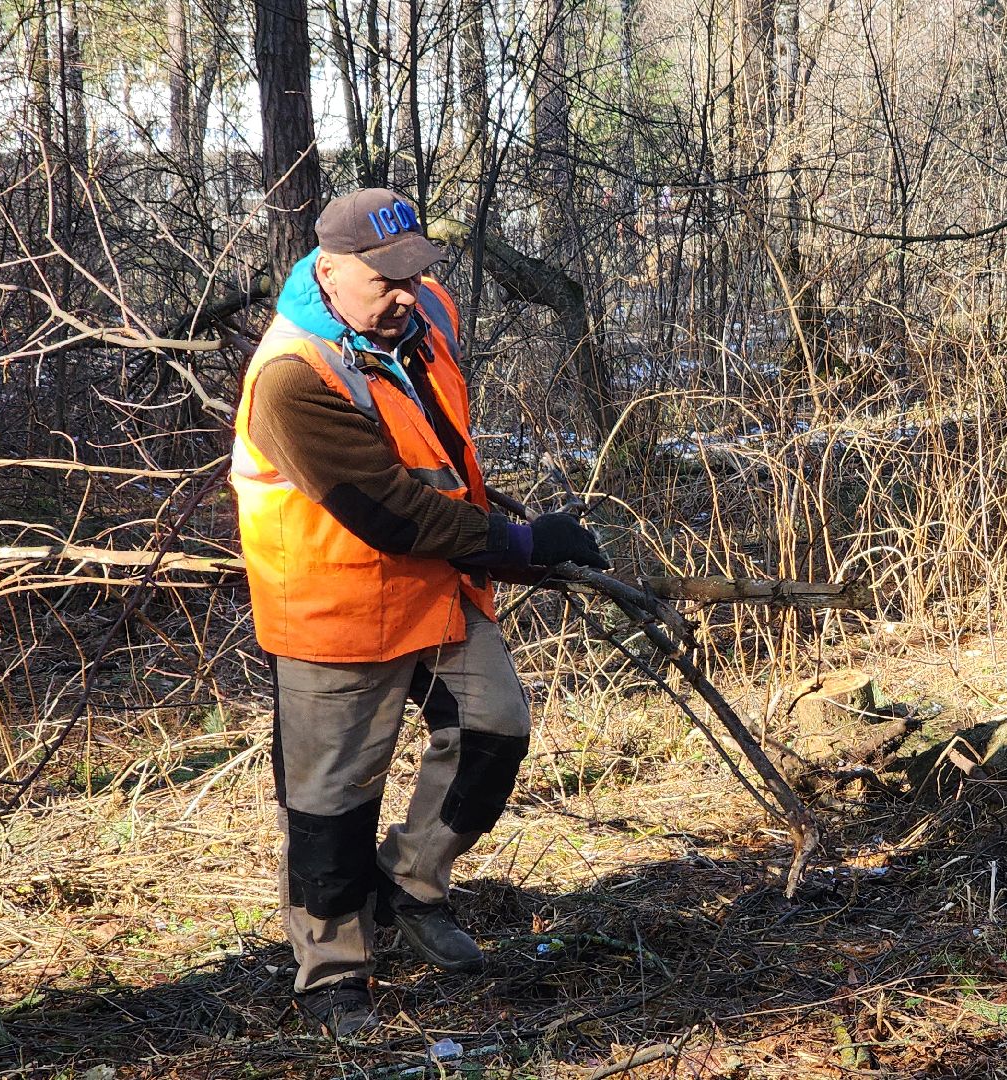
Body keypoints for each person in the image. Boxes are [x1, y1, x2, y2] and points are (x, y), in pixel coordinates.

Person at [230, 188, 611, 1037]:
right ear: (327, 273)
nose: (407, 293)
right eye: (385, 280)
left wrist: (509, 526)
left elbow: (434, 453)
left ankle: (410, 886)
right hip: (336, 613)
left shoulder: (421, 314)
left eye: (416, 273)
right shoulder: (293, 378)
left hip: (435, 589)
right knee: (331, 803)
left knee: (495, 730)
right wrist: (519, 541)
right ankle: (331, 973)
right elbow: (393, 512)